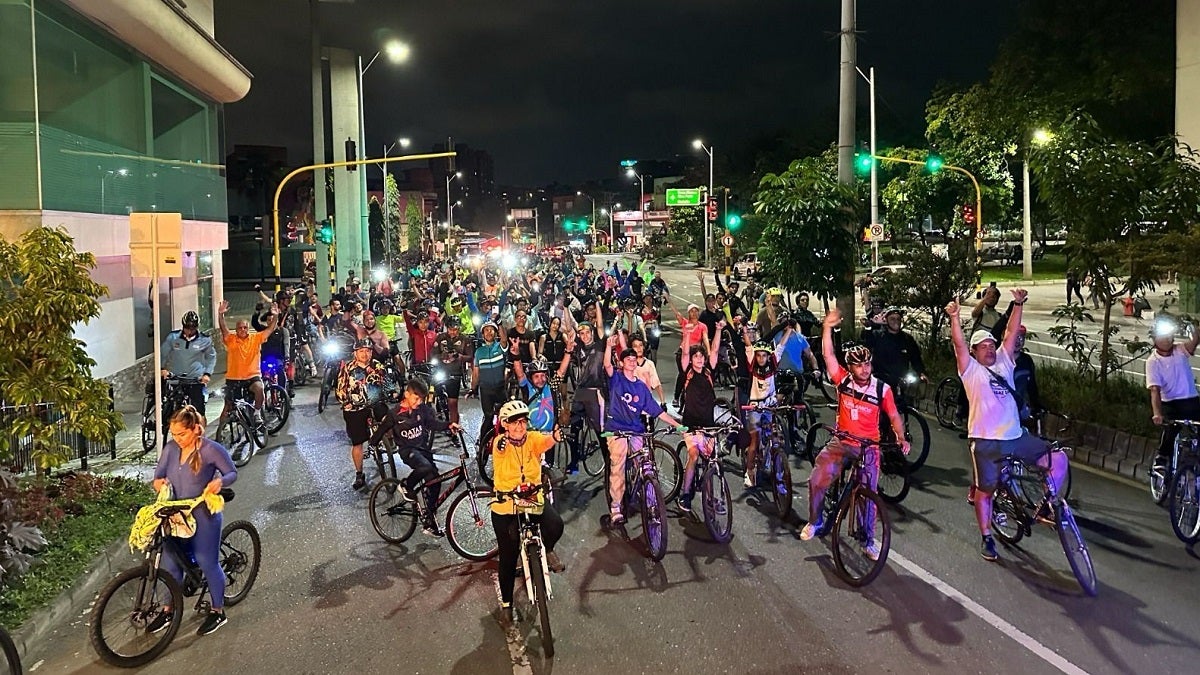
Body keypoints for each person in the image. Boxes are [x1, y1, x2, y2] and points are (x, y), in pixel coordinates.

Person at [945, 290, 1069, 562]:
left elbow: (1011, 332)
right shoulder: (970, 370)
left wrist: (1018, 303)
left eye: (991, 344)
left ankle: (1047, 502)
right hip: (986, 441)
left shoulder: (1005, 361)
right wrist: (955, 318)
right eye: (983, 346)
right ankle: (987, 536)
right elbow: (958, 345)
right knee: (985, 491)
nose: (989, 348)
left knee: (1058, 459)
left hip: (1015, 437)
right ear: (975, 352)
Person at [801, 309, 910, 558]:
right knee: (817, 479)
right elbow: (828, 354)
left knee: (868, 496)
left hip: (869, 446)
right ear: (850, 368)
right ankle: (815, 520)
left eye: (867, 364)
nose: (865, 369)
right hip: (842, 441)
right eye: (859, 365)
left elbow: (894, 416)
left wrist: (901, 437)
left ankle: (867, 540)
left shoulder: (882, 389)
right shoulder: (843, 381)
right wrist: (827, 327)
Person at [148, 405, 236, 636]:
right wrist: (159, 484)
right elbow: (157, 477)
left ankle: (218, 611)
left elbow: (231, 472)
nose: (177, 440)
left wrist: (220, 483)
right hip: (176, 514)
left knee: (207, 562)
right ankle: (168, 610)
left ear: (196, 429)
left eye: (182, 434)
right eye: (174, 435)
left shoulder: (211, 450)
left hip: (203, 514)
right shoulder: (170, 449)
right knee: (171, 564)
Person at [489, 400, 566, 626]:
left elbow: (545, 442)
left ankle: (548, 549)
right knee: (508, 555)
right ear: (505, 425)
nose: (519, 427)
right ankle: (506, 605)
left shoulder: (532, 439)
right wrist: (505, 440)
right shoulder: (499, 443)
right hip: (506, 504)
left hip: (531, 498)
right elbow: (500, 448)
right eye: (514, 423)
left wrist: (555, 437)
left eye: (522, 422)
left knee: (556, 525)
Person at [602, 337, 684, 525]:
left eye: (633, 359)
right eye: (627, 359)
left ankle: (649, 495)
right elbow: (607, 364)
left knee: (645, 462)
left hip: (636, 429)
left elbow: (656, 410)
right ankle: (616, 506)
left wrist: (677, 425)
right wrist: (608, 346)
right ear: (621, 363)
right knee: (619, 464)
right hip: (617, 430)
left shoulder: (641, 386)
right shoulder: (616, 378)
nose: (631, 361)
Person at [370, 378, 461, 536]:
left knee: (435, 482)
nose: (419, 402)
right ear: (407, 394)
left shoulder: (422, 410)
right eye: (416, 398)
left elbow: (432, 424)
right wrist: (372, 444)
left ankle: (429, 522)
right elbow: (381, 430)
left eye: (421, 399)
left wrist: (448, 425)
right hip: (408, 451)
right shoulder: (395, 413)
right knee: (424, 467)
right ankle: (406, 486)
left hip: (423, 449)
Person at [677, 320, 724, 513]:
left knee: (711, 460)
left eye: (700, 357)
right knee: (694, 456)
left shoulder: (707, 372)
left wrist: (719, 330)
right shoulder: (687, 371)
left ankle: (713, 498)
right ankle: (685, 495)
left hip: (708, 424)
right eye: (696, 357)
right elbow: (686, 353)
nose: (698, 360)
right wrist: (687, 334)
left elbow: (714, 350)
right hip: (690, 424)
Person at [335, 338, 393, 490]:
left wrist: (391, 392)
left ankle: (387, 442)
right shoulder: (347, 368)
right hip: (355, 407)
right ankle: (359, 473)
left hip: (375, 402)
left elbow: (387, 382)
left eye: (367, 351)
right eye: (361, 351)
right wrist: (345, 401)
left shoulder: (377, 366)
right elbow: (341, 388)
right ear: (355, 353)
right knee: (357, 442)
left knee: (389, 420)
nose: (365, 354)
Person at [1146, 317, 1200, 477]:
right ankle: (1161, 460)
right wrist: (1157, 413)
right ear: (1155, 339)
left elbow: (1193, 343)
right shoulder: (1153, 362)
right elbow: (1155, 390)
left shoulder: (1180, 350)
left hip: (1191, 400)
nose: (1168, 339)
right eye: (1163, 336)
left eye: (1170, 335)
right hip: (1171, 404)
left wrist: (1196, 330)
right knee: (1171, 429)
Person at [217, 299, 275, 429]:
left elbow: (270, 330)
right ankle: (220, 433)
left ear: (248, 328)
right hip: (233, 379)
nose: (243, 330)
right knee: (228, 406)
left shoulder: (255, 338)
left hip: (252, 377)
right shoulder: (231, 339)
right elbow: (223, 328)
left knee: (259, 389)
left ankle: (257, 413)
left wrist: (275, 316)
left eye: (245, 327)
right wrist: (220, 315)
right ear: (236, 330)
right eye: (240, 328)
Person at [159, 310, 217, 414]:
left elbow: (211, 357)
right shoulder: (173, 338)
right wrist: (162, 369)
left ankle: (201, 429)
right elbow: (163, 353)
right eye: (187, 328)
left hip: (195, 379)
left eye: (193, 328)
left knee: (199, 411)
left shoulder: (204, 340)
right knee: (170, 408)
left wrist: (207, 373)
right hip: (177, 377)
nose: (189, 331)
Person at [473, 322, 507, 443]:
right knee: (488, 417)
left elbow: (504, 339)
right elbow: (476, 373)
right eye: (486, 330)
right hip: (485, 389)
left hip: (500, 388)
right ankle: (482, 444)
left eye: (491, 330)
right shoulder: (479, 352)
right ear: (482, 335)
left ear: (496, 333)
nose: (489, 332)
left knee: (504, 417)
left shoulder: (500, 346)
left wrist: (499, 324)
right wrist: (473, 388)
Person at [433, 315, 470, 424]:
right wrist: (441, 356)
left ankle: (454, 428)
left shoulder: (464, 339)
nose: (452, 332)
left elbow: (470, 357)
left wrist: (459, 356)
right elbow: (432, 354)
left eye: (455, 330)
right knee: (431, 394)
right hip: (440, 371)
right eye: (450, 329)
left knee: (453, 404)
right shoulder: (440, 338)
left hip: (455, 374)